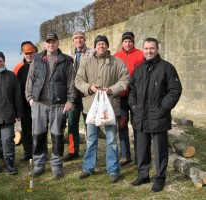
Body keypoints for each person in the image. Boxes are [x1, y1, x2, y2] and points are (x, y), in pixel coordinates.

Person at [128, 38, 182, 192]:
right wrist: (133, 106)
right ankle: (143, 175)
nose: (149, 51)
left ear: (157, 49)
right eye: (146, 48)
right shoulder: (139, 69)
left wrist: (162, 108)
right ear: (143, 50)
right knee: (142, 148)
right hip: (140, 116)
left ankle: (159, 178)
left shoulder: (167, 68)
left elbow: (175, 90)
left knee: (160, 150)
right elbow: (131, 90)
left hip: (158, 116)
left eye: (152, 48)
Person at [75, 35, 129, 183]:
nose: (101, 46)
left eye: (104, 44)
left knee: (111, 139)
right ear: (95, 46)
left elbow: (125, 79)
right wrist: (89, 87)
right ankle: (88, 168)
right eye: (98, 44)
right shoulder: (86, 62)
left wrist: (111, 90)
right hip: (91, 106)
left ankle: (113, 170)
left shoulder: (117, 62)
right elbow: (78, 81)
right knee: (91, 138)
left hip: (110, 106)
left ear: (107, 46)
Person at [25, 33, 76, 179]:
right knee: (39, 136)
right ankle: (39, 166)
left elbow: (71, 82)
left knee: (57, 137)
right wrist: (30, 99)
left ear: (58, 43)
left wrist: (70, 100)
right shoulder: (37, 59)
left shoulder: (66, 60)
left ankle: (56, 167)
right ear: (44, 44)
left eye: (53, 42)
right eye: (48, 42)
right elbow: (30, 80)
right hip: (39, 104)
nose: (51, 44)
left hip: (58, 105)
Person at [63, 30, 95, 162]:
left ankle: (91, 151)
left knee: (90, 124)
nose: (78, 40)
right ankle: (72, 151)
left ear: (85, 39)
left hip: (87, 94)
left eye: (81, 38)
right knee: (72, 124)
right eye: (76, 38)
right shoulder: (68, 55)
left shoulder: (92, 53)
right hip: (73, 95)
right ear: (72, 41)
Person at [114, 32, 144, 166]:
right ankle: (125, 155)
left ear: (133, 42)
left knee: (137, 125)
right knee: (122, 126)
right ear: (122, 42)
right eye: (125, 41)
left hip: (136, 96)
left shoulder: (140, 54)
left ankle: (139, 156)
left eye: (130, 41)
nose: (128, 43)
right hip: (121, 97)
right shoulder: (116, 57)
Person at [13, 41, 37, 161]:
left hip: (39, 103)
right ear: (23, 53)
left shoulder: (41, 64)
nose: (28, 55)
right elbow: (13, 87)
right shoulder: (18, 68)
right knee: (26, 130)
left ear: (34, 52)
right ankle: (28, 152)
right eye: (26, 53)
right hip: (24, 105)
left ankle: (40, 151)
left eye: (31, 53)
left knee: (40, 130)